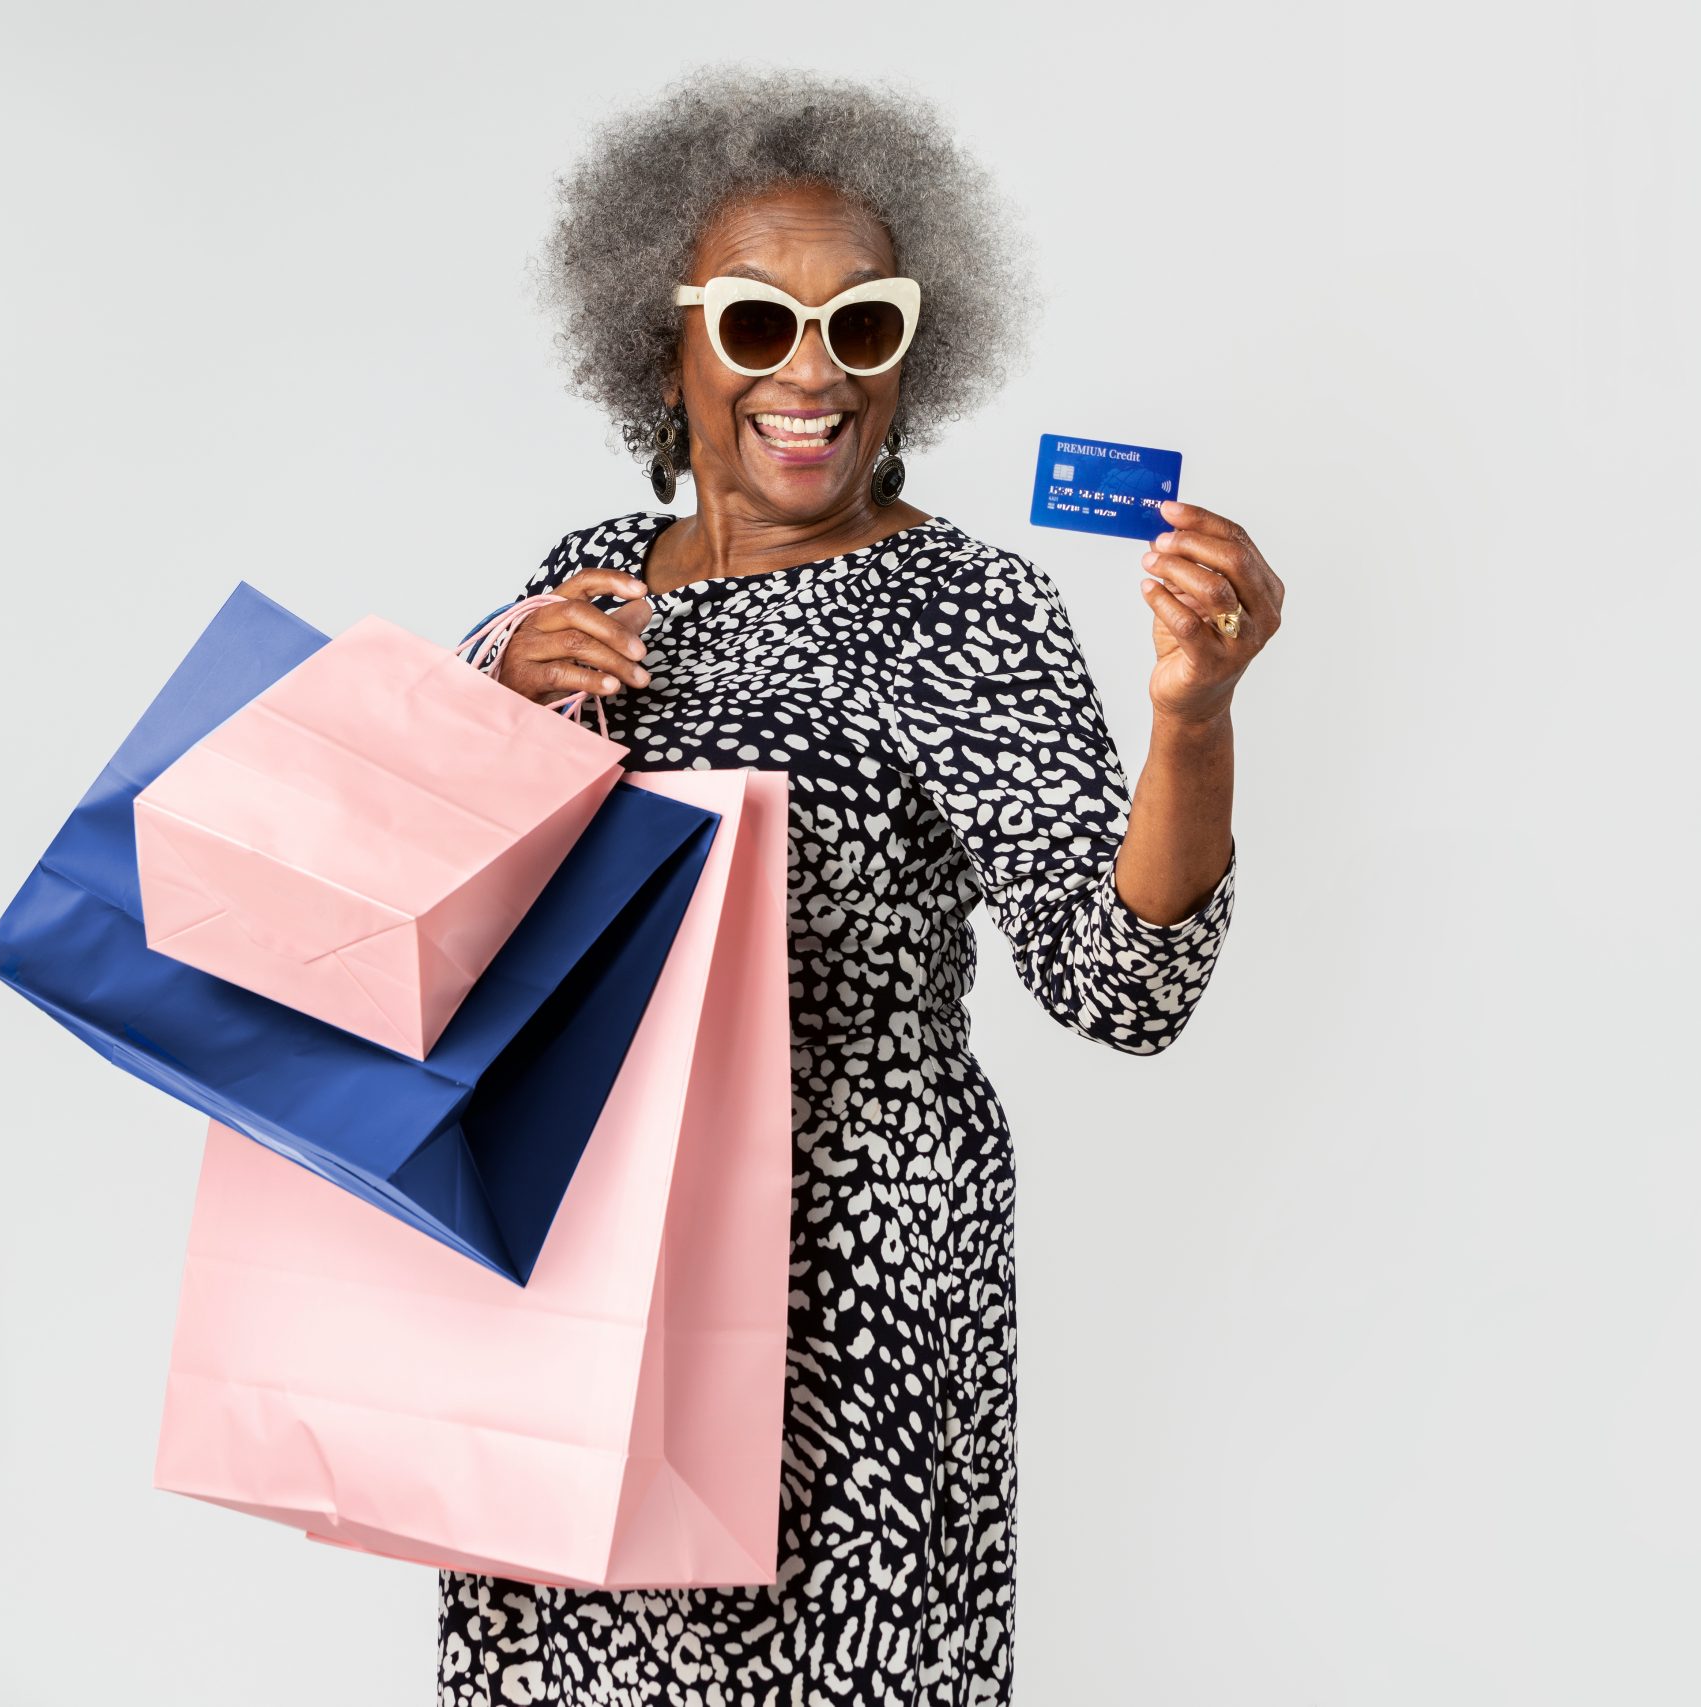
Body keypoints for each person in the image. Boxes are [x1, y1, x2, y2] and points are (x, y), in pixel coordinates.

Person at [440, 68, 1282, 1707]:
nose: (811, 373)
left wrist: (1192, 713)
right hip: (577, 1254)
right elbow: (450, 929)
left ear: (917, 350)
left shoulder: (969, 603)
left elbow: (1126, 987)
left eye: (863, 325)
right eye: (758, 325)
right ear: (665, 343)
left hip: (847, 1291)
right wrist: (482, 697)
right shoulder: (579, 574)